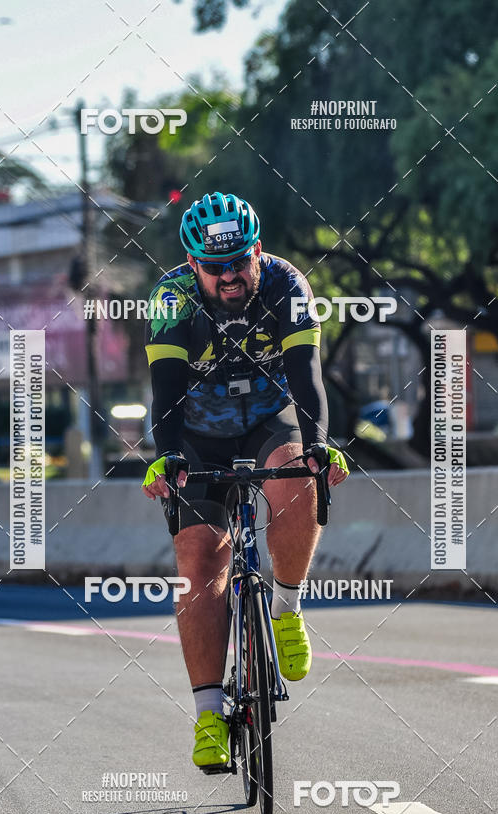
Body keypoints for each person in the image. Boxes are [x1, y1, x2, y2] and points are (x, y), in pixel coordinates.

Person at [142, 192, 349, 770]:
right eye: (215, 267)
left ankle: (285, 606)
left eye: (239, 261)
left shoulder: (287, 285)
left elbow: (308, 376)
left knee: (294, 473)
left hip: (268, 417)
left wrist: (317, 446)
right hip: (198, 430)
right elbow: (164, 394)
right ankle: (209, 713)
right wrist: (169, 457)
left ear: (257, 250)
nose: (230, 276)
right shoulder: (171, 299)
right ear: (192, 265)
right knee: (199, 557)